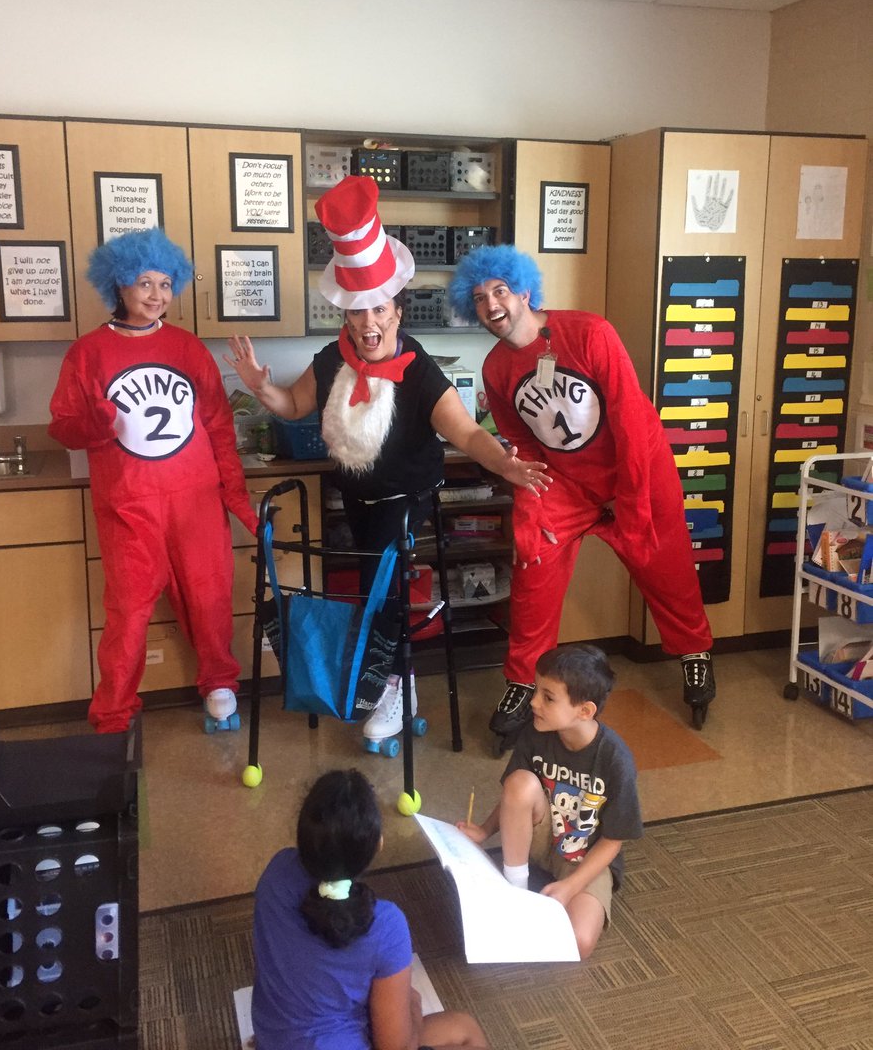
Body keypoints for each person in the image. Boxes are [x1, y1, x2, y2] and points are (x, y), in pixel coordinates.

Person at [225, 177, 550, 743]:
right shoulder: (333, 358)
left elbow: (467, 433)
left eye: (379, 310)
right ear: (345, 318)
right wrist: (261, 389)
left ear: (398, 310)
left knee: (386, 590)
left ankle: (396, 685)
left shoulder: (419, 371)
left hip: (406, 500)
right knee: (364, 590)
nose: (368, 323)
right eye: (356, 313)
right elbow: (295, 405)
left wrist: (505, 464)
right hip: (355, 496)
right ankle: (387, 676)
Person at [447, 244, 715, 744]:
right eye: (480, 298)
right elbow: (522, 437)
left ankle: (695, 653)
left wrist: (630, 499)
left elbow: (631, 421)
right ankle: (522, 680)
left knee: (666, 565)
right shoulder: (495, 370)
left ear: (524, 291)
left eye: (500, 291)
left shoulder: (589, 332)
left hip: (635, 467)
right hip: (567, 481)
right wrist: (526, 478)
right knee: (533, 564)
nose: (492, 305)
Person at [49, 227, 257, 734]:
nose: (156, 295)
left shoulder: (188, 349)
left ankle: (219, 682)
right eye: (145, 282)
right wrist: (95, 423)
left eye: (165, 284)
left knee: (210, 594)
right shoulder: (88, 353)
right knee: (128, 612)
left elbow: (218, 428)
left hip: (196, 501)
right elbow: (62, 426)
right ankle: (113, 710)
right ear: (119, 284)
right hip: (129, 504)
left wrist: (235, 497)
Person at [253, 768, 490, 1050]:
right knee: (465, 1030)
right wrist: (412, 1007)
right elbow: (396, 1047)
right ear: (378, 845)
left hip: (272, 1037)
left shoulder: (277, 871)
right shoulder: (386, 926)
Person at [456, 643, 642, 960]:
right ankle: (514, 888)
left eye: (548, 697)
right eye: (536, 690)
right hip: (541, 840)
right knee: (520, 781)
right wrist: (485, 831)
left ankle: (534, 916)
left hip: (584, 858)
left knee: (579, 943)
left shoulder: (615, 758)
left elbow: (613, 840)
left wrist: (572, 887)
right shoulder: (536, 733)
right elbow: (515, 794)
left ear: (584, 711)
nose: (534, 702)